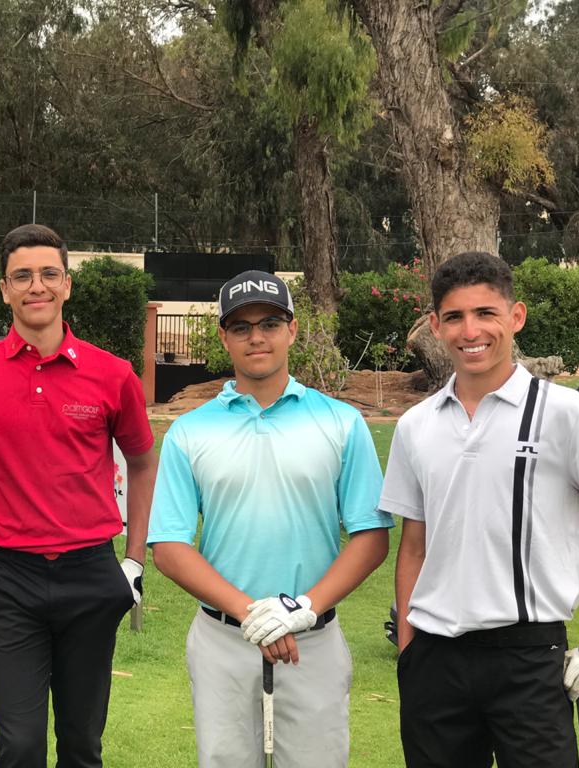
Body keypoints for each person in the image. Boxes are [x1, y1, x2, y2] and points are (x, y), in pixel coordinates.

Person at [380, 251, 579, 768]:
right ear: (436, 326)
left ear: (515, 317)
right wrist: (408, 647)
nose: (470, 331)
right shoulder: (416, 425)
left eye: (485, 313)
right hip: (434, 659)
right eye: (454, 317)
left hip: (530, 658)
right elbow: (414, 544)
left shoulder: (566, 412)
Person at [0, 223, 157, 768]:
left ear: (67, 285)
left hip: (90, 573)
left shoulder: (112, 374)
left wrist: (133, 559)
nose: (37, 286)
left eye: (49, 273)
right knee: (20, 746)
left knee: (82, 745)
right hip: (9, 578)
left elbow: (143, 461)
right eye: (22, 276)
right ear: (4, 289)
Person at [147, 270, 392, 768]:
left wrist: (302, 608)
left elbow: (370, 536)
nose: (256, 337)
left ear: (292, 330)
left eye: (270, 324)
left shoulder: (341, 422)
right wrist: (251, 613)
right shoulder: (190, 432)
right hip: (223, 641)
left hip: (313, 638)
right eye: (241, 327)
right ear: (224, 337)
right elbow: (169, 547)